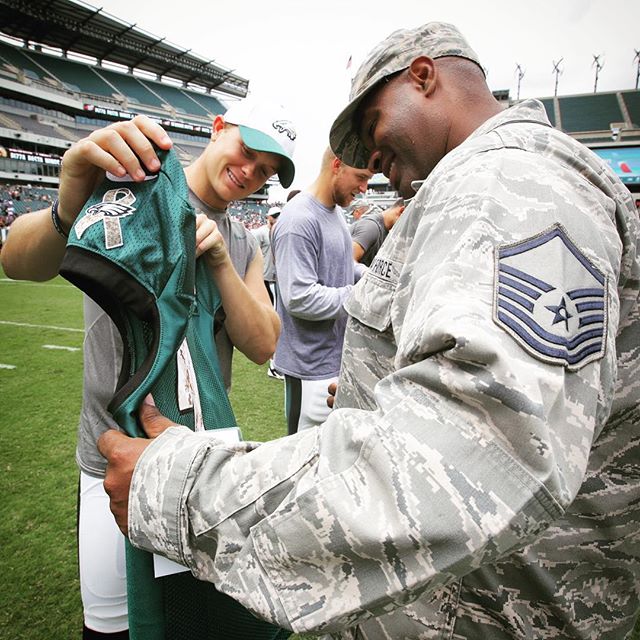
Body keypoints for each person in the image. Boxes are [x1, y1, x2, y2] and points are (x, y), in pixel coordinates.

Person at [97, 21, 638, 639]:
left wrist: (182, 489)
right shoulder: (480, 184)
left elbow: (469, 456)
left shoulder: (510, 184)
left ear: (423, 77)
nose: (370, 160)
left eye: (373, 127)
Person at [1, 98, 296, 639]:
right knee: (110, 627)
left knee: (190, 623)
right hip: (109, 453)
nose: (253, 172)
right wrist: (68, 204)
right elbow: (18, 263)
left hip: (195, 461)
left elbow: (264, 344)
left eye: (269, 170)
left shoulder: (245, 241)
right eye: (247, 150)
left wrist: (220, 262)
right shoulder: (134, 181)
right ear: (217, 127)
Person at [271, 147, 372, 434]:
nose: (364, 188)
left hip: (333, 361)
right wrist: (362, 296)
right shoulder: (299, 219)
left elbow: (343, 266)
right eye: (361, 177)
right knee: (301, 463)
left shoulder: (336, 212)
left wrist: (372, 278)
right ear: (337, 165)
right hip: (308, 369)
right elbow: (299, 297)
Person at [252, 204, 285, 379]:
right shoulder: (260, 232)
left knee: (275, 320)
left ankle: (275, 363)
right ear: (268, 217)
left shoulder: (279, 231)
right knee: (270, 320)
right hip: (264, 279)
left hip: (276, 279)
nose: (277, 218)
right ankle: (273, 365)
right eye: (274, 216)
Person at [350, 197, 405, 266]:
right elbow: (349, 261)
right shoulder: (371, 227)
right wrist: (364, 272)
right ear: (402, 211)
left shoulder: (386, 230)